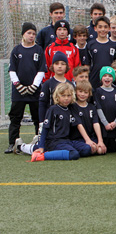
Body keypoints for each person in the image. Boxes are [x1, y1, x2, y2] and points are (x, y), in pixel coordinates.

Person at [15, 82, 93, 162]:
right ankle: (42, 156)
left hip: (67, 141)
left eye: (69, 95)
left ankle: (23, 146)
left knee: (87, 149)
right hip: (54, 141)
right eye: (63, 95)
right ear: (57, 96)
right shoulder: (53, 109)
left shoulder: (71, 109)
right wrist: (41, 146)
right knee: (74, 154)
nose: (66, 98)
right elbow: (45, 129)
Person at [5, 22, 45, 154]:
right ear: (23, 34)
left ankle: (39, 141)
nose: (31, 36)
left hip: (34, 91)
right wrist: (18, 85)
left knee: (37, 117)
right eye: (29, 33)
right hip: (19, 92)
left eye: (33, 33)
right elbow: (12, 70)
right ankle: (12, 143)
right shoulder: (16, 50)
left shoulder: (38, 50)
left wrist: (34, 86)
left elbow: (41, 70)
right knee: (16, 117)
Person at [73, 81, 106, 155]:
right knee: (88, 149)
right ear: (76, 92)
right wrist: (87, 140)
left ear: (89, 94)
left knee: (101, 150)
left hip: (91, 137)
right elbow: (79, 124)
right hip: (78, 139)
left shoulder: (92, 107)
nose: (82, 94)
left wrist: (100, 141)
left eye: (85, 92)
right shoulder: (73, 106)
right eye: (80, 91)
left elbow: (96, 123)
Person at [94, 66, 116, 152]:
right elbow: (98, 109)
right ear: (101, 77)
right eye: (105, 75)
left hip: (114, 126)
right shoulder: (98, 91)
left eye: (110, 76)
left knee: (114, 149)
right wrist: (106, 123)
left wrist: (115, 122)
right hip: (104, 127)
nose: (107, 78)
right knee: (102, 150)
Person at [85, 16, 116, 88]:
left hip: (109, 80)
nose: (103, 29)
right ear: (95, 28)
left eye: (105, 27)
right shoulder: (90, 45)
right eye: (100, 27)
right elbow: (87, 64)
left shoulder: (114, 45)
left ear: (109, 28)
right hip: (94, 80)